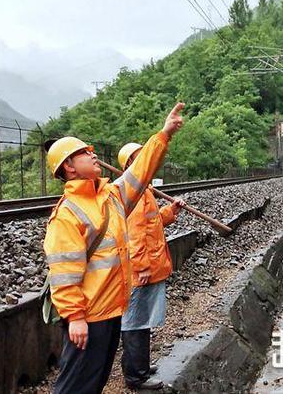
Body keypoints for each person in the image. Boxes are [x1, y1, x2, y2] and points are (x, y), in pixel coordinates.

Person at [43, 103, 184, 394]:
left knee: (94, 382)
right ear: (68, 167)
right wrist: (76, 317)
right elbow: (64, 272)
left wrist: (164, 134)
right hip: (89, 316)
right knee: (74, 387)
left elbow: (141, 171)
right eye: (84, 153)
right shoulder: (68, 213)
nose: (92, 154)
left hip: (110, 311)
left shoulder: (110, 197)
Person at [117, 142, 186, 390]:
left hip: (150, 266)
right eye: (140, 158)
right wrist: (142, 267)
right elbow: (133, 235)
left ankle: (140, 366)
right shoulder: (133, 194)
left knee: (141, 320)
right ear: (129, 165)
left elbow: (152, 224)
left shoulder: (143, 191)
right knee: (135, 322)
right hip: (141, 271)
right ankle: (136, 376)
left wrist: (170, 211)